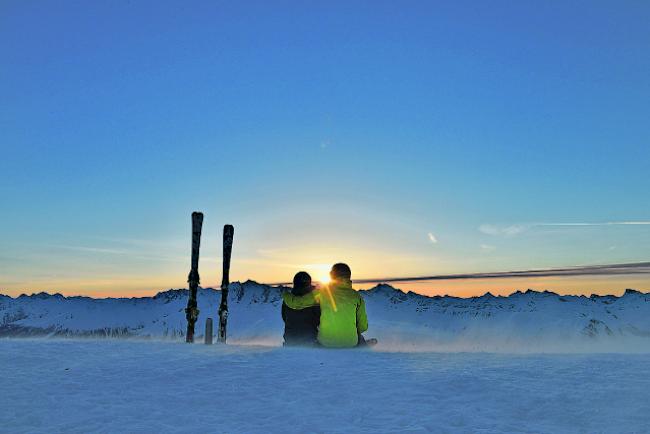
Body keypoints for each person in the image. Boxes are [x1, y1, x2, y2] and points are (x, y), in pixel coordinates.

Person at [282, 263, 371, 348]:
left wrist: (285, 294)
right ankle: (363, 346)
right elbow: (363, 327)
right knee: (358, 337)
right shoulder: (357, 297)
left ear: (331, 276)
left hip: (325, 343)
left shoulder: (322, 292)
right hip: (350, 343)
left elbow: (296, 304)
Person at [281, 271, 320, 346]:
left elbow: (284, 318)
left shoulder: (287, 300)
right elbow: (319, 320)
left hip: (289, 342)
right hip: (310, 342)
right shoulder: (315, 300)